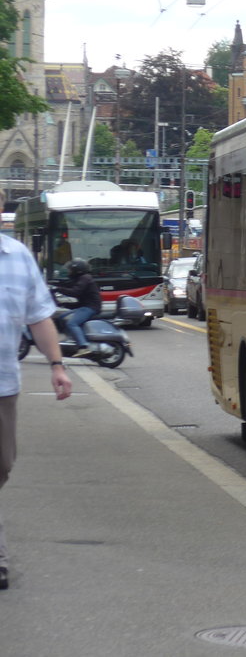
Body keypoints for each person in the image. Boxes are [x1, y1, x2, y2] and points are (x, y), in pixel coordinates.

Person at [0, 195, 73, 592]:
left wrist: (57, 365)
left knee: (2, 465)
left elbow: (39, 315)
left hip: (3, 384)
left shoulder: (17, 256)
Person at [54, 258, 101, 358]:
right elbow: (79, 296)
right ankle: (72, 339)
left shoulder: (85, 278)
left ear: (77, 270)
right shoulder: (82, 278)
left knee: (72, 323)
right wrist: (63, 304)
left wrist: (58, 289)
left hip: (91, 307)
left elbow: (76, 291)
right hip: (86, 306)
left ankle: (83, 346)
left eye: (71, 270)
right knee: (62, 317)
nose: (69, 272)